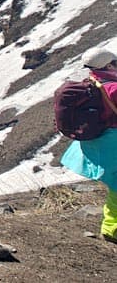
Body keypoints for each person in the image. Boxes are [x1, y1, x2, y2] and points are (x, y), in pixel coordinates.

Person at [61, 46, 117, 244]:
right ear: (108, 65)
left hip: (97, 143)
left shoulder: (89, 81)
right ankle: (112, 229)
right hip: (112, 142)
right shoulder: (113, 87)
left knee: (115, 186)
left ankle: (111, 227)